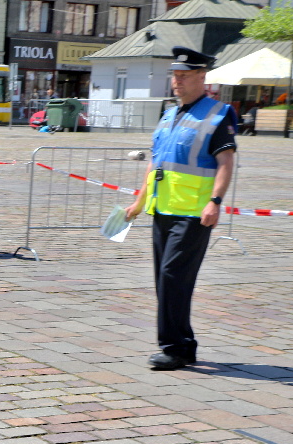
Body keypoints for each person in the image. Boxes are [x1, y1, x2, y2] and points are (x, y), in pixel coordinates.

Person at [124, 46, 237, 371]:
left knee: (173, 277)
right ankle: (184, 345)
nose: (177, 82)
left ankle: (173, 348)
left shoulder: (217, 115)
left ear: (202, 77)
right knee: (165, 279)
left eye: (184, 76)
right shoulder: (169, 115)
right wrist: (139, 201)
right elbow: (156, 164)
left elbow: (226, 162)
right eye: (175, 75)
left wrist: (215, 202)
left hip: (194, 214)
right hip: (163, 211)